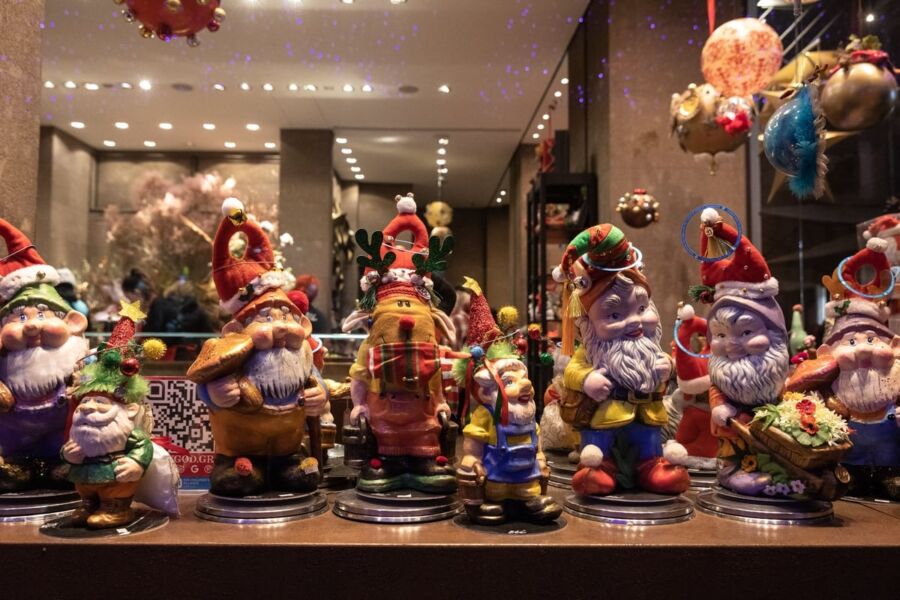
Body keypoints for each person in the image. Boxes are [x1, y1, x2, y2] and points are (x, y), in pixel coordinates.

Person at [187, 198, 330, 497]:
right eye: (266, 317)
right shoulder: (230, 353)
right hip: (240, 447)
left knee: (300, 478)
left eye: (286, 316)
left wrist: (321, 395)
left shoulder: (301, 353)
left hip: (288, 445)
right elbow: (205, 385)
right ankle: (237, 468)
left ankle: (289, 464)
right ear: (235, 331)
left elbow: (315, 380)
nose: (281, 327)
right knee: (241, 481)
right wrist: (214, 394)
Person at [553, 224, 689, 496]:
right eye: (614, 315)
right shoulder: (593, 350)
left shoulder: (648, 348)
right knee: (598, 446)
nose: (635, 321)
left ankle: (651, 466)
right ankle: (598, 468)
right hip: (605, 418)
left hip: (647, 416)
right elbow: (572, 371)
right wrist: (587, 379)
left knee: (649, 443)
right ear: (588, 322)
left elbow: (658, 366)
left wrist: (667, 366)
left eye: (642, 308)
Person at [786, 238, 900, 500]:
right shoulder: (828, 392)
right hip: (846, 468)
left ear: (894, 346)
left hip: (893, 465)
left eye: (871, 340)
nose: (862, 351)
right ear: (828, 353)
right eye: (851, 343)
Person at [0, 219, 90, 492]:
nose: (31, 326)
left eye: (41, 315)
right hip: (13, 440)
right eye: (20, 318)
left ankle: (63, 467)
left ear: (73, 323)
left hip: (62, 440)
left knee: (65, 463)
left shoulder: (79, 359)